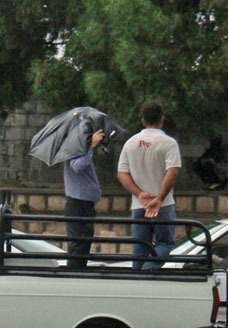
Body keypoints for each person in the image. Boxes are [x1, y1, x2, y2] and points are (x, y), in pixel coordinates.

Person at [116, 100, 181, 270]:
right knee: (165, 243)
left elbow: (122, 173)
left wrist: (139, 194)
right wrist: (159, 198)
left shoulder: (130, 143)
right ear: (162, 119)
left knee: (139, 248)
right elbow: (172, 172)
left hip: (139, 205)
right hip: (163, 205)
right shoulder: (169, 143)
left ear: (143, 120)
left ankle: (137, 279)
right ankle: (148, 269)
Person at [63, 128, 106, 269]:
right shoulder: (74, 148)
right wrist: (90, 147)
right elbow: (77, 166)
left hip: (85, 203)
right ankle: (74, 274)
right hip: (77, 203)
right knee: (78, 243)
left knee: (84, 242)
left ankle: (79, 270)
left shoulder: (82, 149)